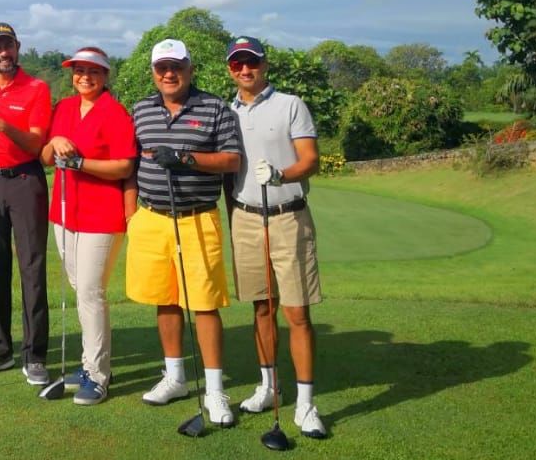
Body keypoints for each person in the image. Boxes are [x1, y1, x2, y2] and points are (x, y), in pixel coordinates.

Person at [127, 37, 241, 427]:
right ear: (154, 72)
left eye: (176, 67)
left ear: (190, 69)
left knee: (204, 304)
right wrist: (131, 216)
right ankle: (174, 377)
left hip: (196, 217)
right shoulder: (141, 109)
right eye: (162, 68)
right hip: (152, 217)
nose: (169, 74)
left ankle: (214, 391)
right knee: (165, 299)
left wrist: (184, 158)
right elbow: (129, 163)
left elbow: (231, 159)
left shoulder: (214, 108)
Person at [225, 35, 327, 439]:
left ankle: (305, 404)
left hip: (288, 217)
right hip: (245, 218)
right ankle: (268, 386)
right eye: (237, 64)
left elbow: (311, 160)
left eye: (251, 63)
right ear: (230, 69)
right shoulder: (226, 112)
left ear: (264, 66)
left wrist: (283, 174)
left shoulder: (290, 105)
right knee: (261, 309)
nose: (245, 70)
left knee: (297, 313)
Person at [40, 47, 136, 406]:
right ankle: (86, 365)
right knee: (81, 289)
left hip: (102, 215)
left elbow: (124, 167)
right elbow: (46, 158)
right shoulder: (64, 108)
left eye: (93, 71)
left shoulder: (115, 113)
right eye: (79, 70)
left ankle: (97, 375)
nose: (85, 76)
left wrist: (80, 162)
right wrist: (54, 141)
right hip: (64, 214)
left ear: (105, 75)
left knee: (90, 293)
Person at [0, 22, 54, 385]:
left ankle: (34, 354)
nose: (3, 52)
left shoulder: (36, 88)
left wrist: (2, 125)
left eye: (9, 45)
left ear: (18, 48)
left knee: (32, 268)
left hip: (25, 180)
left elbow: (37, 145)